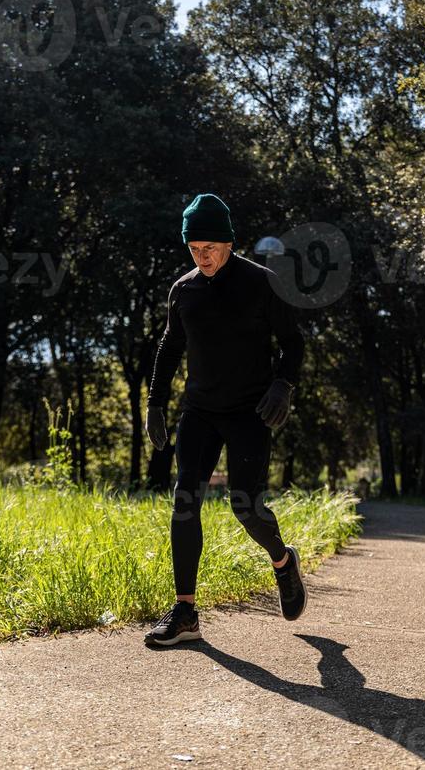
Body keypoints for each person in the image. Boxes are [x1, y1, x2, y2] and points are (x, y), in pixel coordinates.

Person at [143, 193, 307, 647]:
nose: (203, 256)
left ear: (230, 242)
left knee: (246, 506)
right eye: (194, 249)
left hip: (249, 412)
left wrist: (283, 385)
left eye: (210, 247)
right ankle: (185, 612)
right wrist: (155, 403)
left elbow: (293, 342)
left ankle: (282, 561)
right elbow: (170, 346)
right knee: (184, 499)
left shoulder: (263, 283)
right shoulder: (184, 290)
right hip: (199, 411)